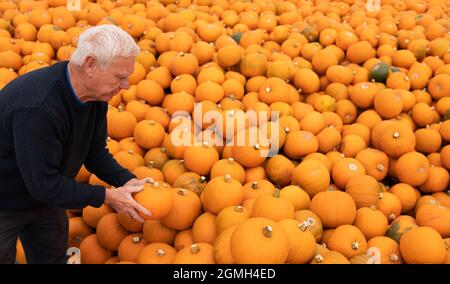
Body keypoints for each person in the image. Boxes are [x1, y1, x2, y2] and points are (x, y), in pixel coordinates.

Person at [0, 25, 153, 264]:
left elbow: (94, 152)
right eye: (120, 77)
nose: (126, 85)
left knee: (52, 258)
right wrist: (107, 196)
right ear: (91, 65)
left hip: (45, 196)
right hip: (5, 199)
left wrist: (126, 180)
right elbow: (43, 184)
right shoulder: (39, 108)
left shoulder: (95, 96)